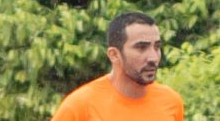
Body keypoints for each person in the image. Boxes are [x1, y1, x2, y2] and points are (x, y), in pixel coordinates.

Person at [53, 11, 184, 120]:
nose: (153, 57)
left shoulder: (171, 101)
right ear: (114, 55)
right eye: (141, 47)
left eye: (157, 47)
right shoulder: (80, 107)